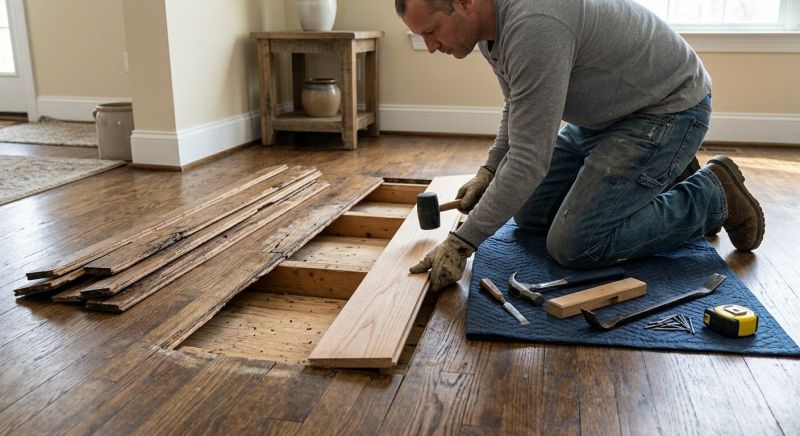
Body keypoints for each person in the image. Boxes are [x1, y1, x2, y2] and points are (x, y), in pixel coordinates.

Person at [397, 0, 765, 291]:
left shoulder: (534, 23)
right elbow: (518, 103)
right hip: (607, 117)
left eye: (432, 32)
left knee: (578, 244)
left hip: (666, 111)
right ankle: (660, 174)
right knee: (528, 212)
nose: (430, 47)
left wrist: (462, 242)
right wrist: (490, 170)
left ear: (465, 2)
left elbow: (529, 159)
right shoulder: (491, 28)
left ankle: (714, 195)